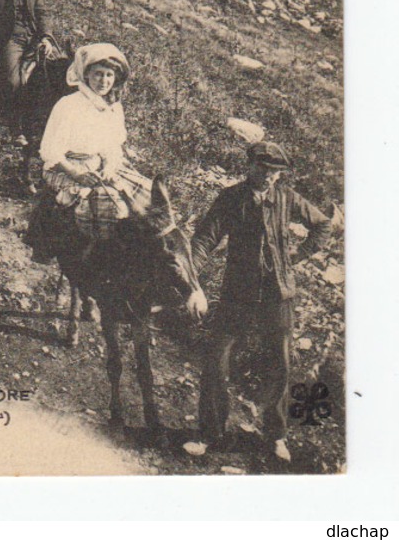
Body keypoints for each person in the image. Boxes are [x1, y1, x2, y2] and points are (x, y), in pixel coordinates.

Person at [186, 140, 332, 463]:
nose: (268, 178)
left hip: (278, 294)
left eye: (275, 173)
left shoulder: (286, 197)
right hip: (237, 294)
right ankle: (210, 433)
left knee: (279, 364)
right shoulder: (231, 198)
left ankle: (276, 435)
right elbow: (205, 238)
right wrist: (191, 276)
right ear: (249, 167)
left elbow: (323, 224)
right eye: (263, 170)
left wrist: (299, 255)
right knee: (216, 357)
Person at [38, 44, 151, 249]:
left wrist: (109, 167)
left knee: (147, 192)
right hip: (66, 167)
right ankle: (91, 259)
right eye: (98, 74)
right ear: (86, 74)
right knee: (109, 204)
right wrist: (76, 174)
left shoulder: (113, 107)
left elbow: (112, 146)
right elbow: (50, 151)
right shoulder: (69, 104)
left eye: (109, 75)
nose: (104, 81)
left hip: (98, 166)